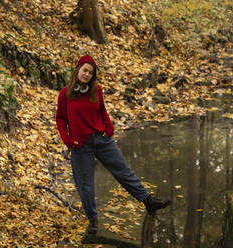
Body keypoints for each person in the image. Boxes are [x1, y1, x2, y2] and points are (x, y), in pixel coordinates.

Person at [56, 55, 171, 235]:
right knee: (85, 185)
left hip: (101, 139)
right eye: (84, 70)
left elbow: (102, 111)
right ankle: (93, 220)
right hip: (80, 145)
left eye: (90, 72)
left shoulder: (97, 90)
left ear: (93, 76)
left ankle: (148, 202)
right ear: (77, 70)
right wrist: (68, 140)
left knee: (123, 170)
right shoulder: (65, 93)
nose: (86, 74)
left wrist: (109, 128)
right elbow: (61, 119)